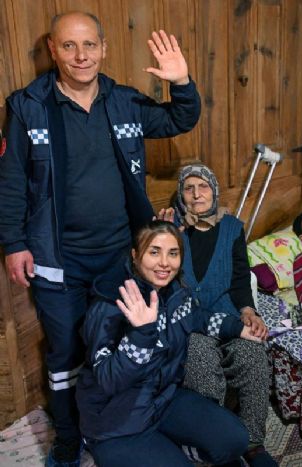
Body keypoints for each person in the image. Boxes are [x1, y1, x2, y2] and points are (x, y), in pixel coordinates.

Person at [0, 11, 200, 466]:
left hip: (121, 257)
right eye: (69, 46)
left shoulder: (123, 100)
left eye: (89, 44)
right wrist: (14, 243)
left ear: (104, 48)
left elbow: (179, 119)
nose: (81, 55)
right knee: (66, 352)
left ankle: (124, 425)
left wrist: (181, 82)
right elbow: (10, 182)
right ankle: (69, 441)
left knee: (121, 343)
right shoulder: (28, 106)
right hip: (57, 261)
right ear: (53, 50)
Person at [76, 220, 254, 467]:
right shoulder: (110, 305)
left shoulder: (174, 291)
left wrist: (237, 327)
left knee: (235, 440)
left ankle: (175, 450)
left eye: (173, 253)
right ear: (135, 255)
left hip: (163, 400)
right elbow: (109, 380)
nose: (164, 263)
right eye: (154, 252)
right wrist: (141, 334)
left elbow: (195, 317)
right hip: (115, 424)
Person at [168, 163, 277, 467]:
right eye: (188, 188)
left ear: (213, 191)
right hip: (192, 323)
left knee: (253, 352)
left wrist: (248, 311)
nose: (196, 194)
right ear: (181, 196)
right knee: (200, 360)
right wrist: (171, 234)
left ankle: (253, 443)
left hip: (229, 314)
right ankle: (217, 443)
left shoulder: (232, 228)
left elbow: (240, 278)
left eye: (203, 186)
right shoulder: (173, 230)